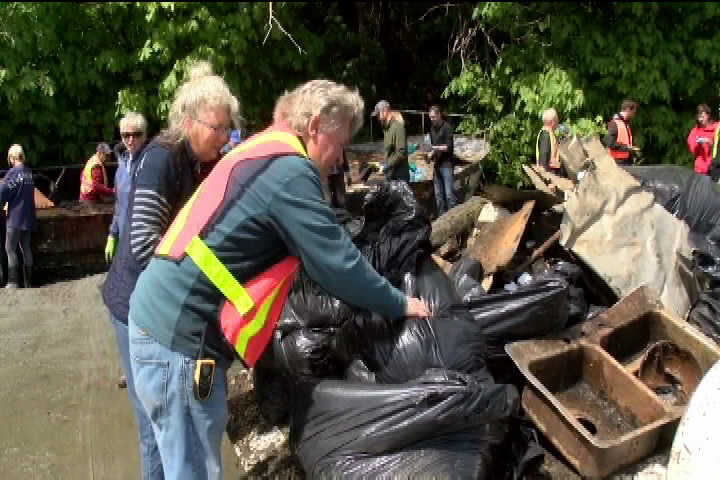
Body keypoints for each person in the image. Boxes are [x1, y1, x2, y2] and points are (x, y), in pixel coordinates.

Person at [127, 80, 430, 479]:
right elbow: (337, 265)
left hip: (162, 325)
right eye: (339, 144)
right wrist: (400, 303)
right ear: (316, 125)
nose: (339, 158)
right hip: (179, 340)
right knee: (192, 471)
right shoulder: (290, 172)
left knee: (177, 465)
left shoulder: (264, 148)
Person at [101, 61, 240, 480]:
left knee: (165, 427)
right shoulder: (164, 159)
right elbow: (145, 245)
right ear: (188, 121)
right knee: (156, 424)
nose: (224, 138)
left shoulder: (197, 161)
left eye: (227, 129)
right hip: (133, 305)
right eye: (217, 129)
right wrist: (198, 294)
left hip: (151, 301)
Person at [106, 112, 149, 264]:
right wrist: (113, 233)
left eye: (136, 135)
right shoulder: (121, 166)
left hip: (145, 242)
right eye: (126, 135)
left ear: (144, 136)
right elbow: (119, 204)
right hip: (125, 239)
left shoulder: (151, 163)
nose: (131, 140)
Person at [0, 145, 36, 288]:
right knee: (26, 246)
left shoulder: (13, 173)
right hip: (29, 216)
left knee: (10, 248)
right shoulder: (29, 173)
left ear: (12, 157)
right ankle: (29, 282)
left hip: (15, 217)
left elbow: (2, 193)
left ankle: (13, 282)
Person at [372, 100, 409, 182]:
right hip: (390, 175)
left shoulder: (398, 127)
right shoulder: (386, 129)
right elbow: (390, 153)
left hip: (399, 177)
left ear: (385, 111)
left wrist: (386, 166)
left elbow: (401, 152)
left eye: (378, 114)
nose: (377, 118)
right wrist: (381, 163)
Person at [428, 105, 455, 215]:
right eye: (430, 117)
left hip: (446, 165)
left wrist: (435, 148)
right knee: (438, 195)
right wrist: (431, 153)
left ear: (439, 115)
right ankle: (442, 218)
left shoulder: (447, 127)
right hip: (437, 165)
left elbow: (449, 147)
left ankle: (453, 216)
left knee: (449, 195)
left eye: (433, 117)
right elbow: (434, 147)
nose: (431, 119)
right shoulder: (431, 129)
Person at [607, 99, 639, 165]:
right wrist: (627, 148)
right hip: (617, 161)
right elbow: (610, 143)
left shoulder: (626, 124)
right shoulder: (614, 123)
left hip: (626, 160)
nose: (634, 115)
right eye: (633, 112)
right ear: (628, 110)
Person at [687, 104, 717, 175]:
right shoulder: (695, 131)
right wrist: (698, 143)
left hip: (716, 167)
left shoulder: (716, 128)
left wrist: (710, 142)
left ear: (708, 116)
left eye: (703, 117)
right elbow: (692, 147)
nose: (700, 119)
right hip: (701, 169)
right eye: (699, 117)